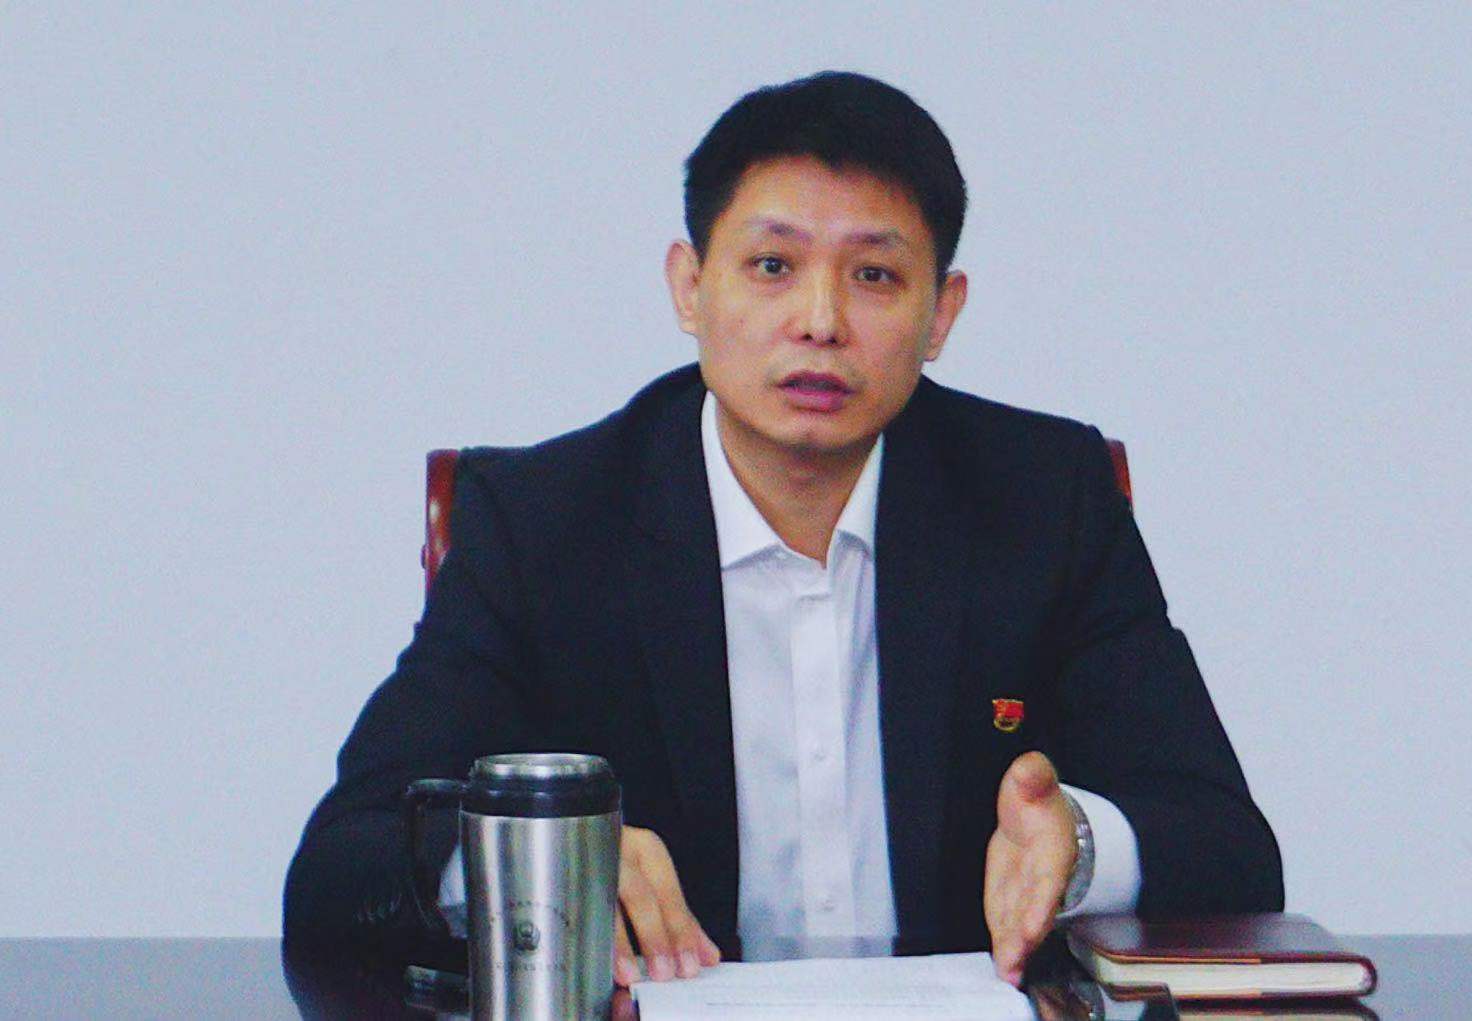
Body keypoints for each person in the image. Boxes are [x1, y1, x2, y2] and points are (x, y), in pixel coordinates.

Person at [283, 70, 1283, 989]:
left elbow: (1230, 849)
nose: (819, 320)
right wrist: (537, 856)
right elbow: (339, 870)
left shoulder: (1043, 501)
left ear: (942, 314)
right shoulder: (543, 522)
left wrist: (1079, 844)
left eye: (874, 276)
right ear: (689, 286)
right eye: (771, 265)